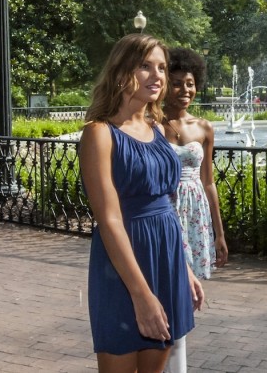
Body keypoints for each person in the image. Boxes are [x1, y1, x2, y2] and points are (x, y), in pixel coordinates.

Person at [80, 33, 204, 373]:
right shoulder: (99, 133)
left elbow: (167, 205)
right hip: (123, 268)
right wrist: (141, 294)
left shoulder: (158, 130)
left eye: (161, 67)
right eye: (145, 66)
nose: (158, 75)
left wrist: (185, 267)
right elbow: (109, 219)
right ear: (122, 71)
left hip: (166, 259)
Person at [160, 48, 227, 373]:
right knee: (166, 287)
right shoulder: (152, 124)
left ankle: (177, 363)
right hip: (165, 210)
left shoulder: (203, 127)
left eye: (189, 83)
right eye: (176, 83)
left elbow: (209, 182)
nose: (184, 90)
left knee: (184, 295)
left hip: (194, 212)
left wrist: (219, 233)